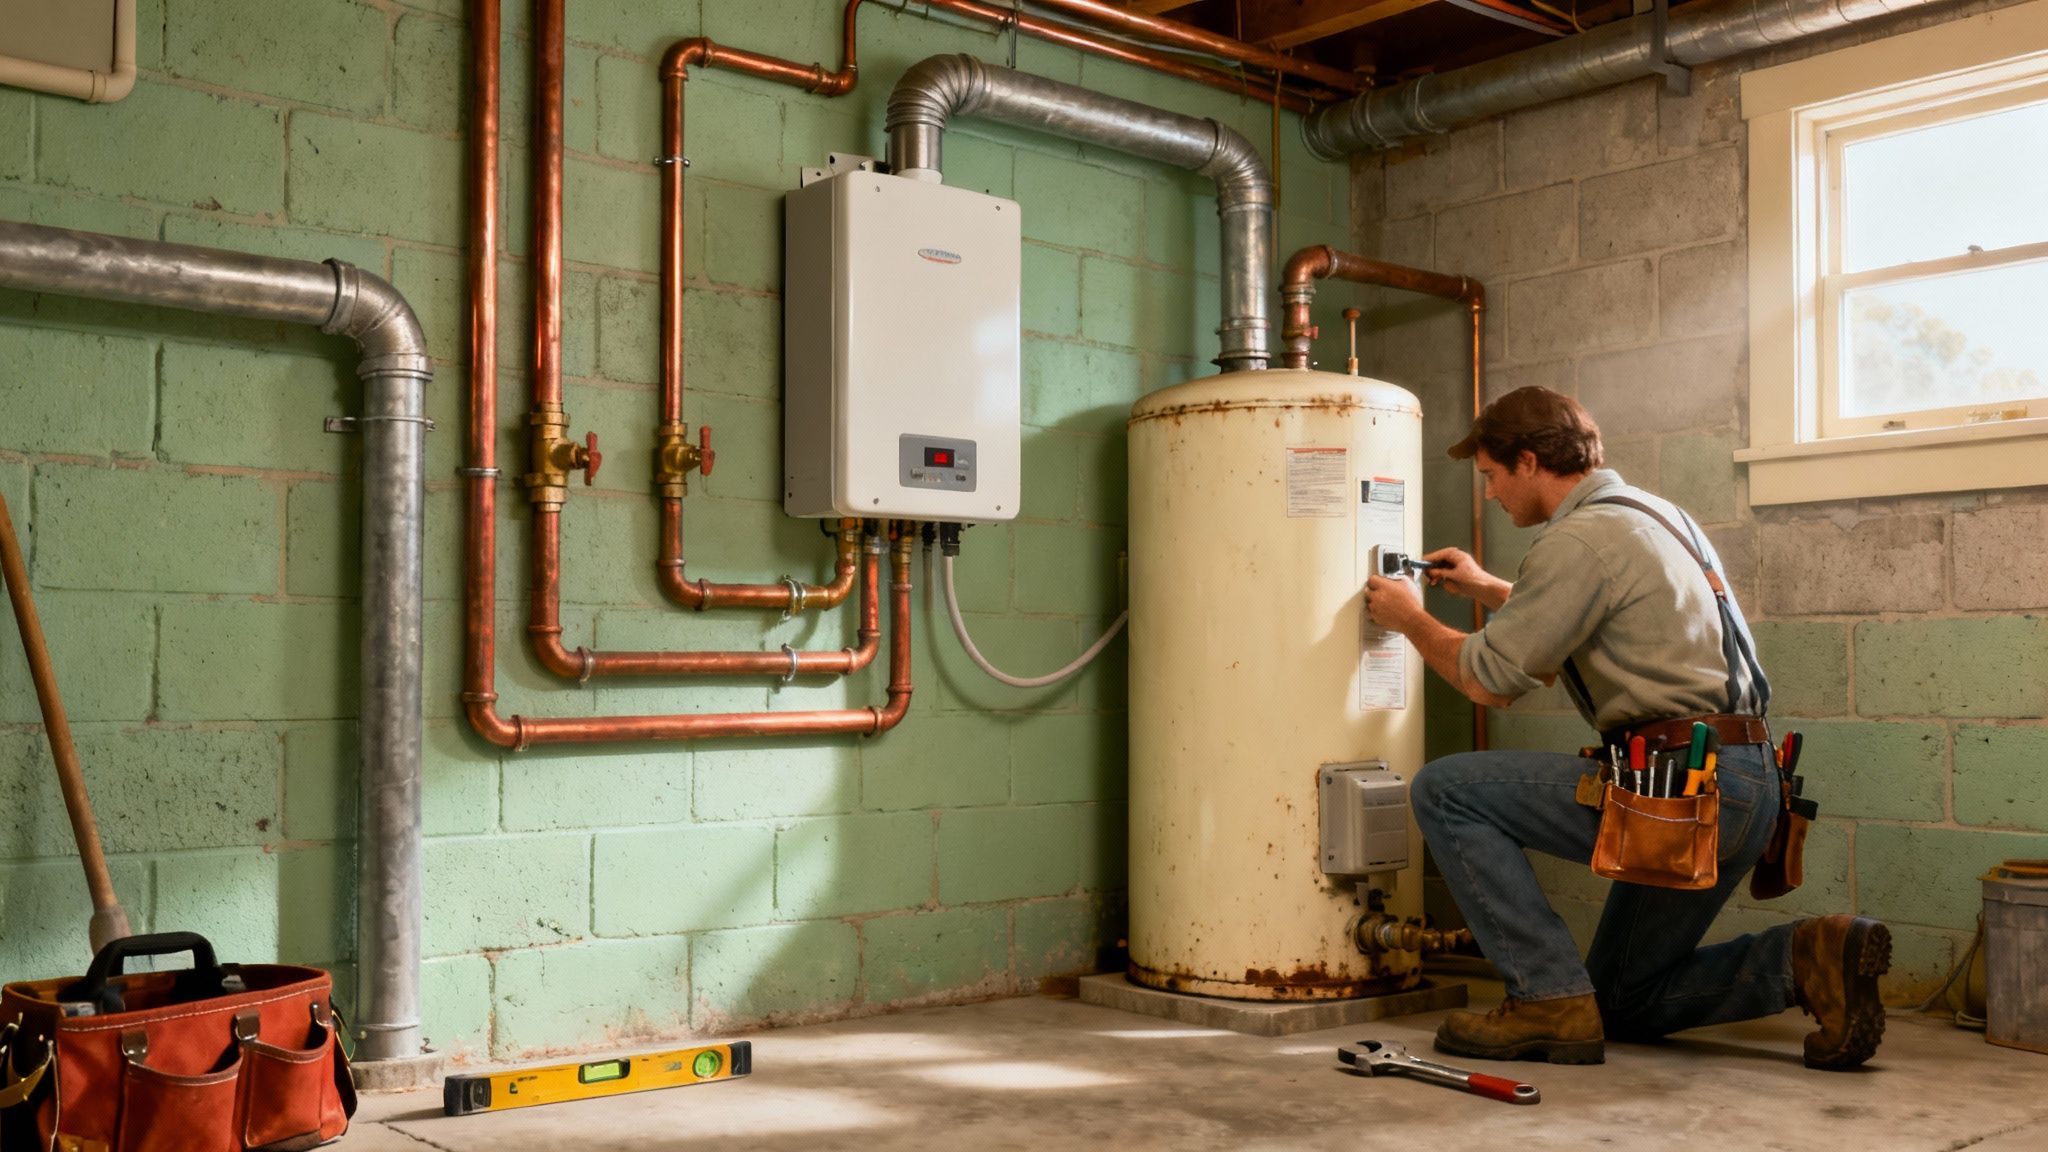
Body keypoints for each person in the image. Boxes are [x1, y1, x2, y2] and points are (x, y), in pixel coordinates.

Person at [1362, 386, 1888, 1070]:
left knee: (1445, 789)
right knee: (1621, 998)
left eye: (1491, 476)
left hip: (1680, 791)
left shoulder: (1577, 538)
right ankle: (1806, 958)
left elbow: (1488, 680)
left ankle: (1544, 999)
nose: (1490, 495)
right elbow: (1595, 618)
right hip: (1751, 785)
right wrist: (1491, 589)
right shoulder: (1654, 515)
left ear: (1528, 461)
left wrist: (1409, 620)